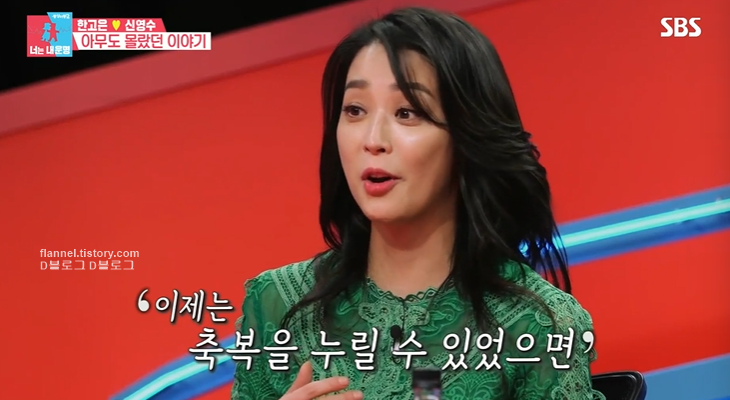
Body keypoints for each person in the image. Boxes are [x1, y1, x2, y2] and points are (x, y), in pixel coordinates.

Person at [231, 7, 605, 400]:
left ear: (466, 137)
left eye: (406, 112)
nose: (373, 140)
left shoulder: (536, 325)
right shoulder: (277, 304)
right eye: (355, 110)